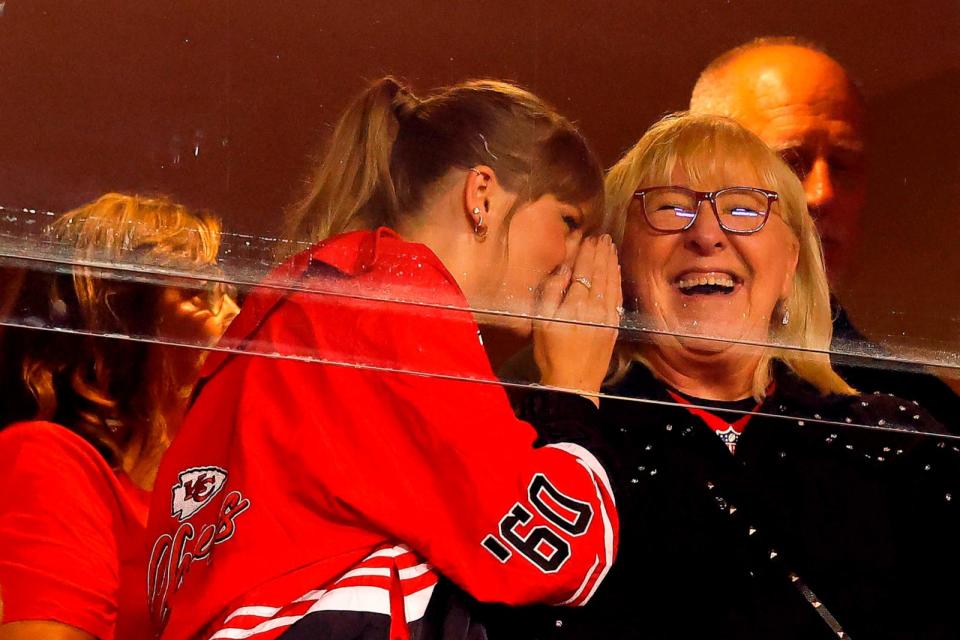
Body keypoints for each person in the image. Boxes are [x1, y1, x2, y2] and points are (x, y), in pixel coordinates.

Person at [144, 77, 622, 640]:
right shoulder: (399, 304)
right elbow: (550, 553)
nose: (577, 258)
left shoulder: (299, 304)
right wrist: (573, 388)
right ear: (483, 196)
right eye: (569, 223)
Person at [480, 113, 960, 639]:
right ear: (614, 260)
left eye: (742, 209)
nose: (706, 234)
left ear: (791, 264)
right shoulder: (536, 436)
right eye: (671, 208)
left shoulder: (894, 444)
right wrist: (569, 399)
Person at [689, 36, 960, 432]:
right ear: (696, 176)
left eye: (843, 165)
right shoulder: (606, 367)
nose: (821, 193)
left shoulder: (919, 411)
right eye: (790, 162)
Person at [0, 193, 238, 640]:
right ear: (122, 322)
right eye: (199, 293)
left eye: (228, 291)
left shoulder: (204, 490)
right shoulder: (49, 460)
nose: (235, 315)